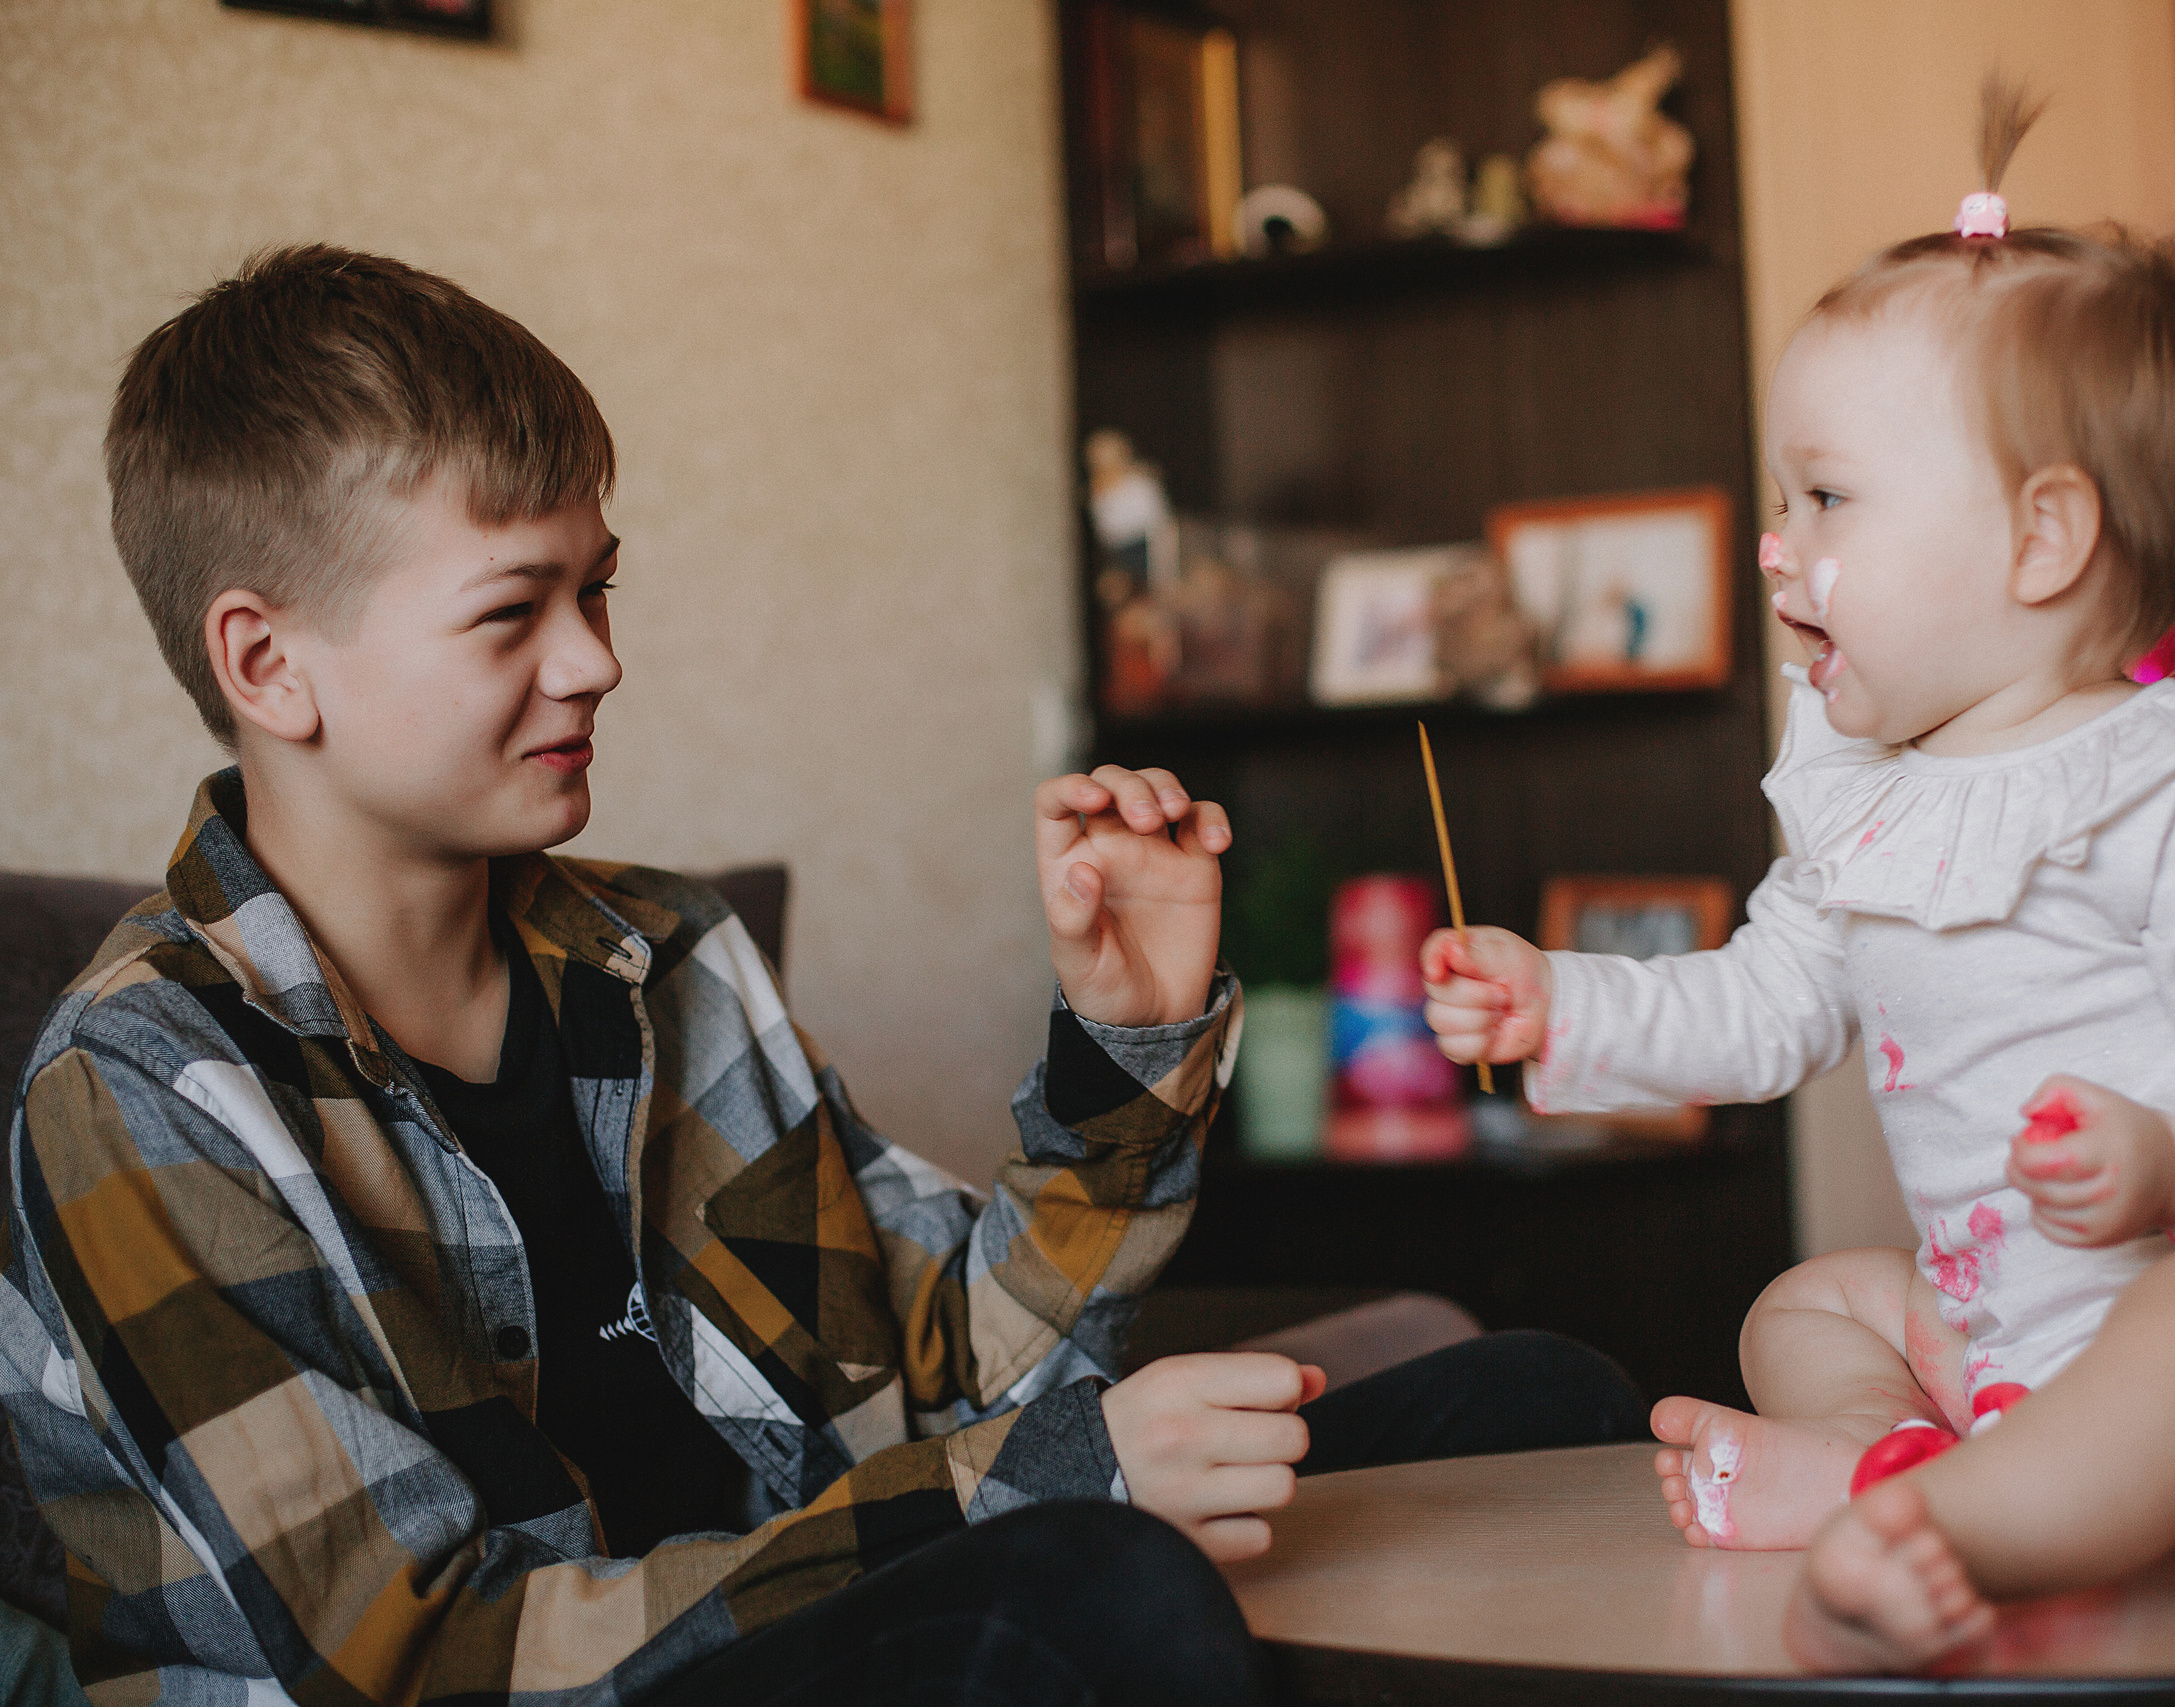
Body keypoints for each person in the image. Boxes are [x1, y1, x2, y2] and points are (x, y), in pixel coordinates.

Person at [1, 246, 1642, 1706]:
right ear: (266, 662)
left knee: (1534, 1400)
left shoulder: (663, 955)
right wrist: (1052, 1486)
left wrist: (1129, 1036)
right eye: (514, 613)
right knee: (1100, 1589)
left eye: (599, 590)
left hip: (811, 1606)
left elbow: (953, 1373)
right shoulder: (143, 1094)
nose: (596, 661)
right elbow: (424, 1658)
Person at [1418, 81, 2175, 1675]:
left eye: (1823, 499)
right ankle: (1896, 1463)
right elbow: (1764, 1005)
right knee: (1810, 1303)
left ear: (2043, 542)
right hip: (2010, 1345)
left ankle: (1945, 1541)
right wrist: (1561, 1002)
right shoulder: (1870, 806)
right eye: (1779, 499)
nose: (1775, 547)